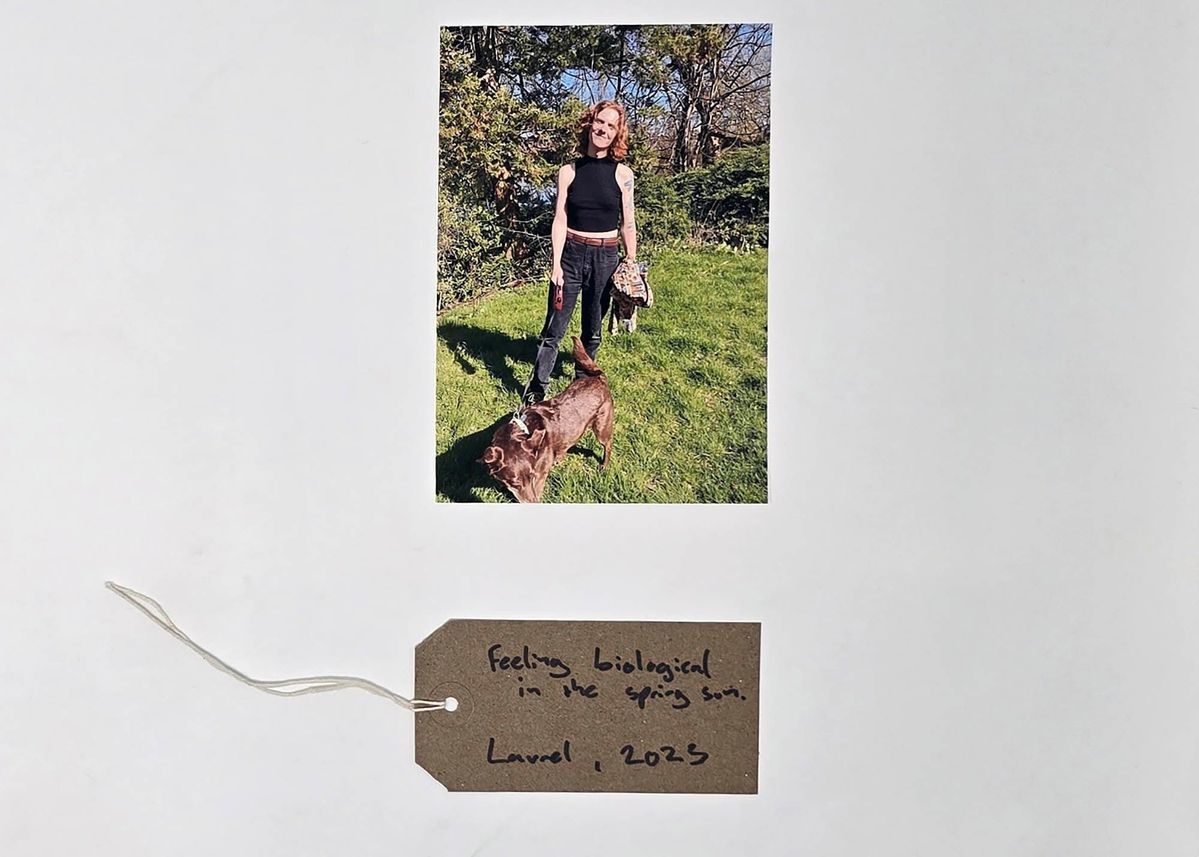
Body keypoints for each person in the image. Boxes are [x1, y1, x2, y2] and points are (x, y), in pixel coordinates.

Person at [522, 100, 637, 405]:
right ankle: (536, 390)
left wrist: (631, 262)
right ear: (590, 124)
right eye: (600, 122)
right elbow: (560, 219)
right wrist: (556, 263)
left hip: (606, 257)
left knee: (593, 331)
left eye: (611, 126)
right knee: (553, 330)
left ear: (617, 134)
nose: (603, 129)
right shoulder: (568, 172)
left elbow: (628, 223)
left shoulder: (623, 174)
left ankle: (580, 392)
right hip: (571, 255)